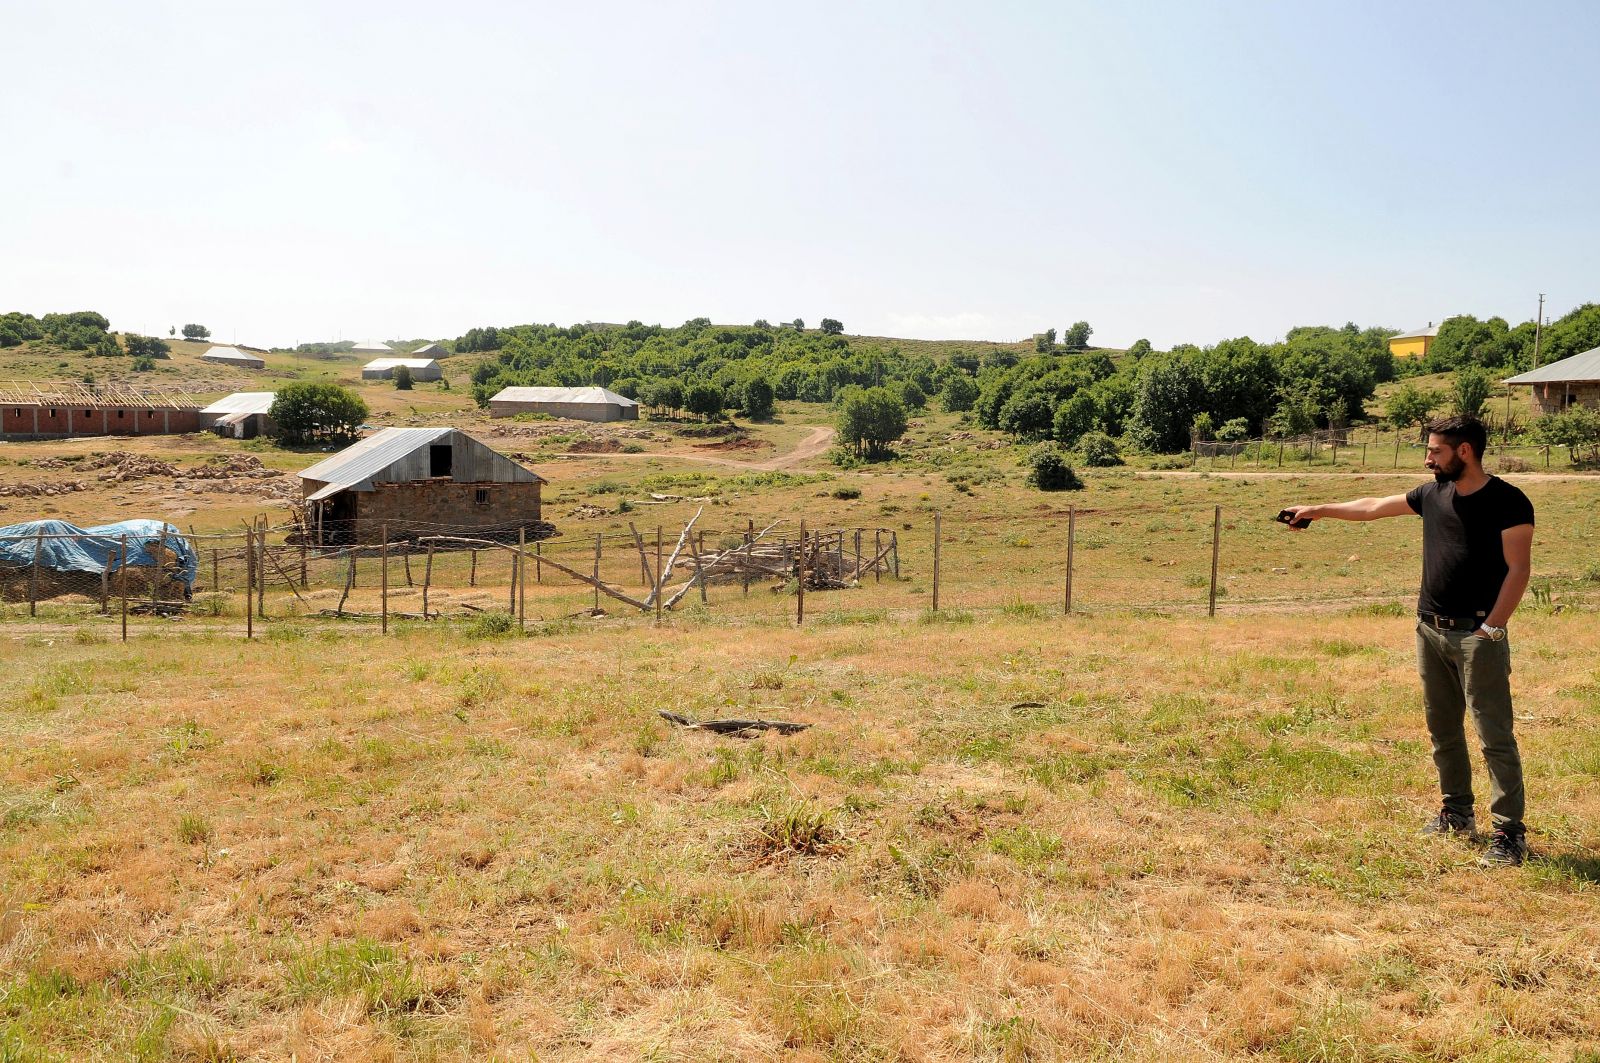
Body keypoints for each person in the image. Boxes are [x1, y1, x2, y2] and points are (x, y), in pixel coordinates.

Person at [1282, 415, 1535, 867]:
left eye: (1436, 451)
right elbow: (1374, 505)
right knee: (1442, 730)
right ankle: (1457, 812)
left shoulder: (1508, 501)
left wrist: (1492, 629)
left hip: (1479, 633)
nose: (1428, 459)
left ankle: (1509, 833)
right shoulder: (1431, 494)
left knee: (1494, 735)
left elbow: (1519, 570)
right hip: (1430, 630)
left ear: (1465, 452)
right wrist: (1318, 509)